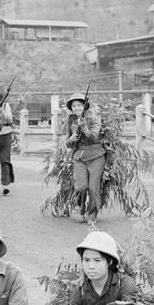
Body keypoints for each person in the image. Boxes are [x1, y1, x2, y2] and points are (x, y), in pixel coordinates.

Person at [64, 231, 138, 305]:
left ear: (110, 262)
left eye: (97, 260)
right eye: (86, 260)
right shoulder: (80, 291)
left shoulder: (124, 284)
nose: (91, 266)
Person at [64, 92, 106, 223]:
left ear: (84, 106)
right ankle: (81, 209)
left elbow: (94, 137)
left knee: (93, 187)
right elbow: (68, 143)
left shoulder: (94, 118)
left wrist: (84, 127)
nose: (77, 108)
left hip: (96, 155)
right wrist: (70, 139)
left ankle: (92, 213)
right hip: (79, 157)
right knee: (81, 187)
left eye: (79, 105)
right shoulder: (70, 120)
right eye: (74, 106)